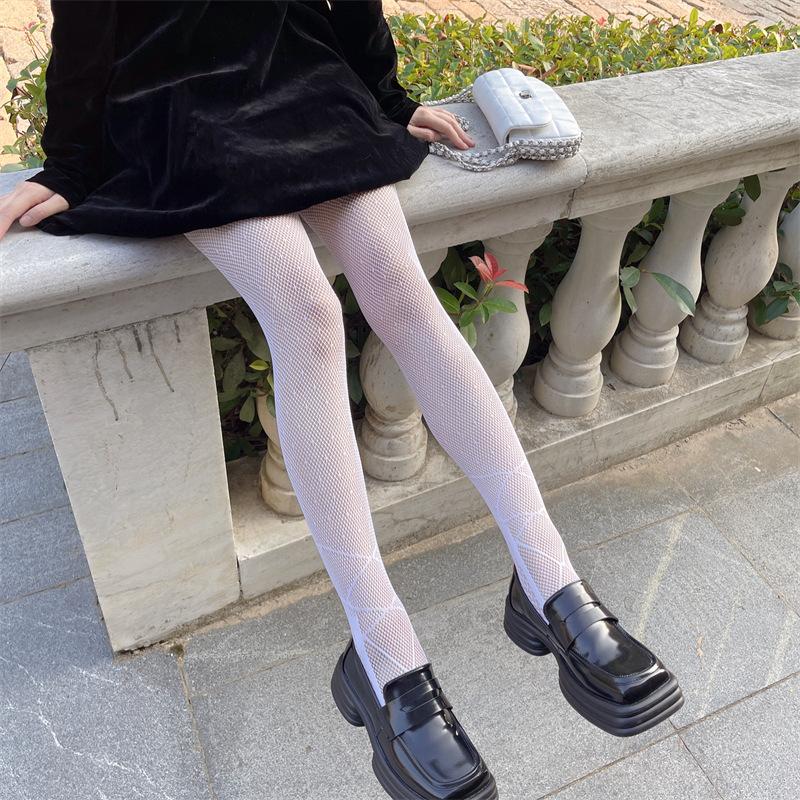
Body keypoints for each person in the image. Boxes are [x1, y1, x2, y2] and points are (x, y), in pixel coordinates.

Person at [0, 2, 684, 798]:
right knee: (308, 314)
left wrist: (388, 100)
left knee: (403, 291)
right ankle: (383, 651)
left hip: (302, 72)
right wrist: (70, 164)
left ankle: (550, 581)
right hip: (177, 101)